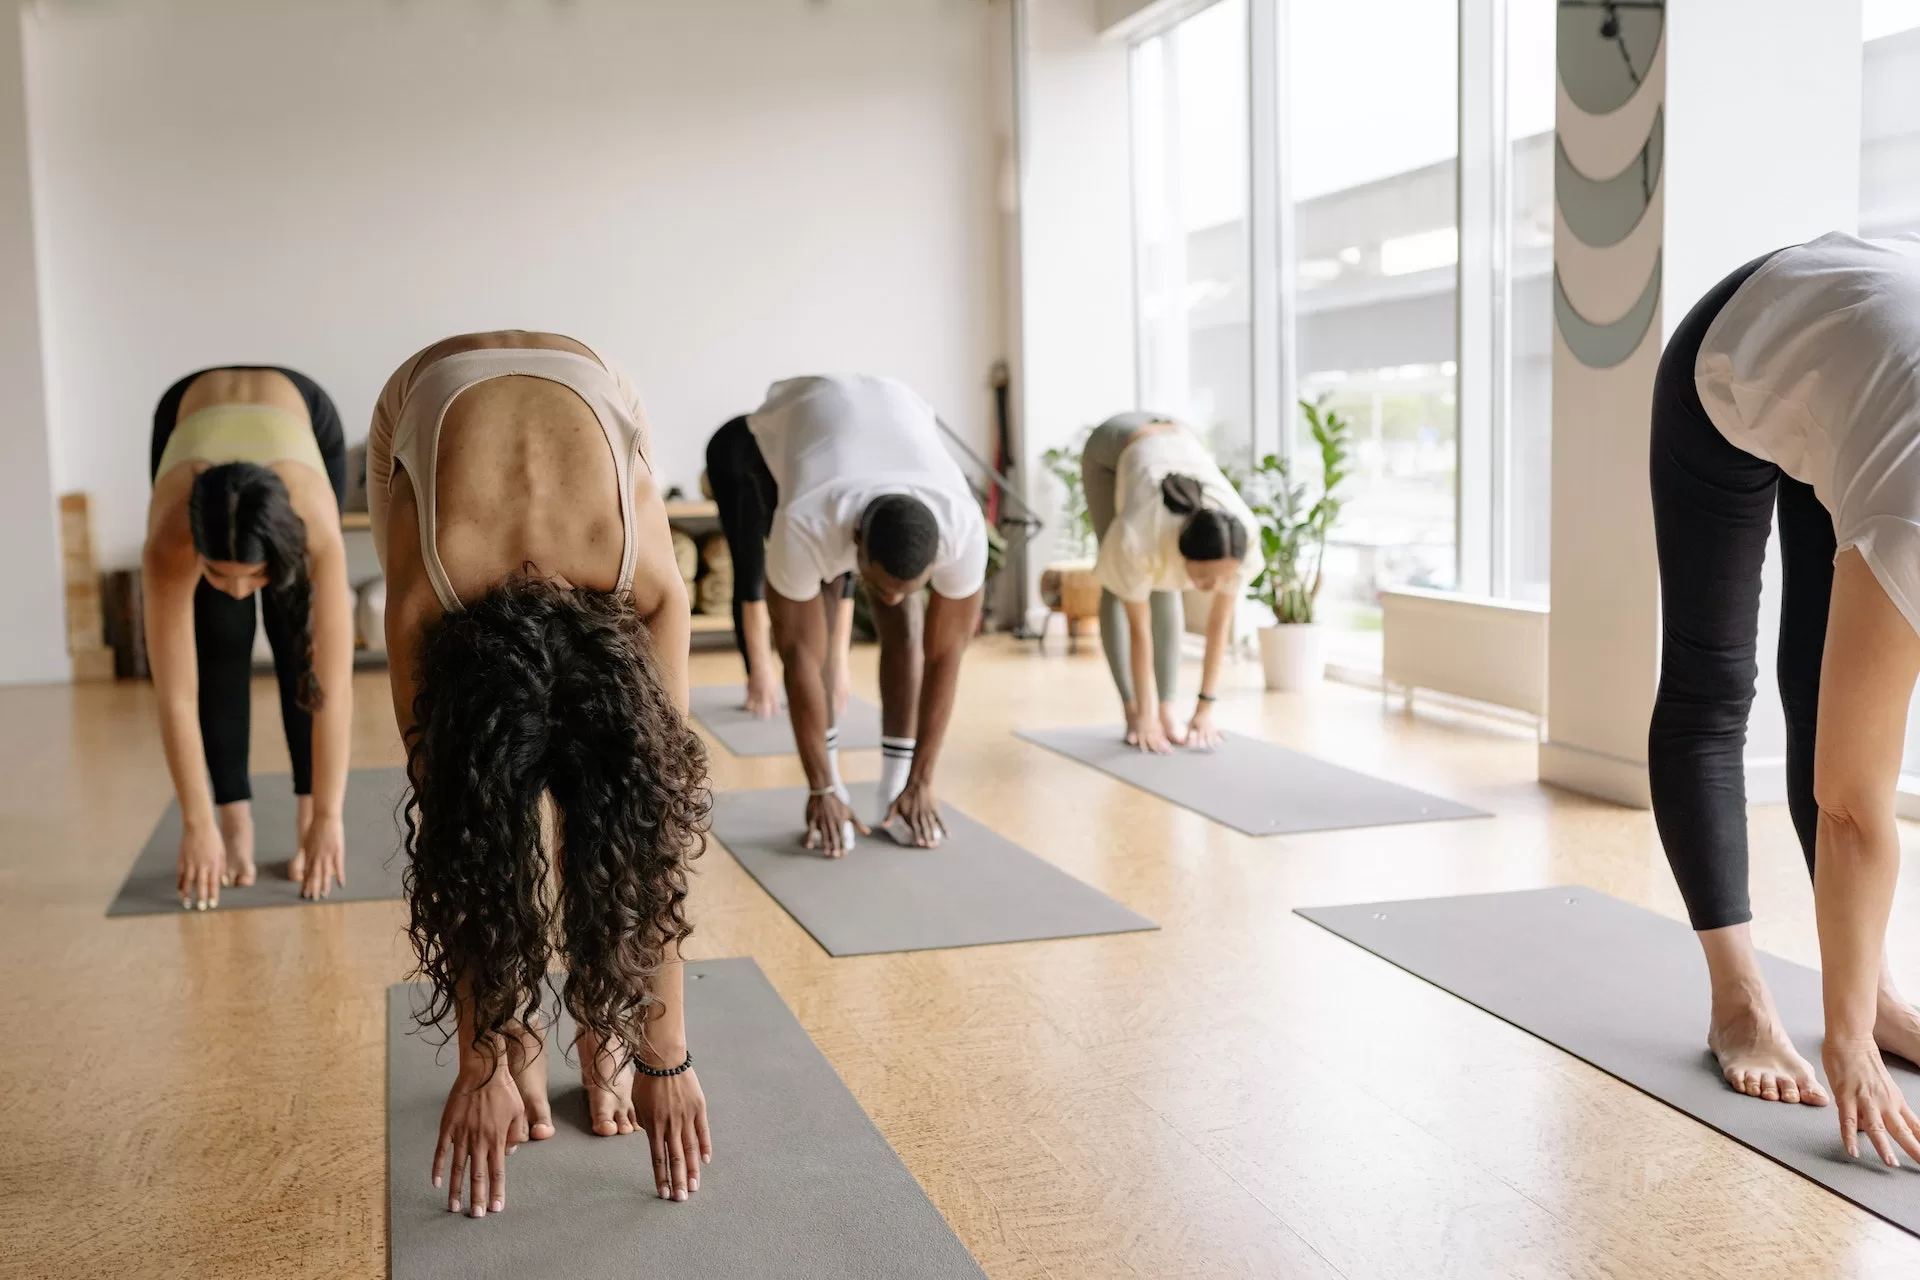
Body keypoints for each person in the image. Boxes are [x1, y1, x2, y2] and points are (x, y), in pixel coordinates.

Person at [368, 331, 712, 1217]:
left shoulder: (647, 584)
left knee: (619, 812)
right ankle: (525, 1043)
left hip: (594, 385)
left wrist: (657, 1049)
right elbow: (462, 848)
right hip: (423, 400)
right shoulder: (423, 600)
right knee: (486, 811)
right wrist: (487, 1048)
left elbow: (653, 840)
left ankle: (599, 1025)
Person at [1649, 232, 1920, 1167]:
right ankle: (1740, 999)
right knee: (1713, 682)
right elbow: (1852, 804)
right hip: (1746, 351)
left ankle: (1876, 998)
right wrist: (1838, 1043)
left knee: (1824, 684)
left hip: (1866, 372)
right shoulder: (1915, 518)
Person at [740, 373, 988, 855]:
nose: (891, 597)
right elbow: (798, 656)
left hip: (900, 403)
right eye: (879, 584)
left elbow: (946, 658)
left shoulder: (963, 528)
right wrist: (821, 787)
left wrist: (922, 779)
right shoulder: (806, 523)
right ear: (856, 544)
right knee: (821, 618)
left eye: (906, 588)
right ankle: (834, 790)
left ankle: (896, 790)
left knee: (906, 625)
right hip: (798, 418)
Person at [143, 366, 354, 910]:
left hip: (301, 409)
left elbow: (334, 683)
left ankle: (307, 814)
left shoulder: (317, 528)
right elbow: (176, 694)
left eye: (254, 577)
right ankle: (235, 826)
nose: (239, 591)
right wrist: (198, 821)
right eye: (218, 574)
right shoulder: (171, 534)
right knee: (219, 638)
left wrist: (330, 816)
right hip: (185, 409)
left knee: (296, 639)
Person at [1083, 413, 1258, 753]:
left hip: (1179, 435)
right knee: (1118, 582)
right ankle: (1134, 709)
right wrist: (1143, 715)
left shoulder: (1242, 537)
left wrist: (1205, 708)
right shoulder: (1139, 535)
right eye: (1205, 577)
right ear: (1185, 554)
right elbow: (1140, 631)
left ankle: (1167, 708)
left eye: (1221, 577)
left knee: (1165, 585)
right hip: (1114, 445)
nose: (1212, 587)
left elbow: (1219, 625)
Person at [704, 414, 856, 721]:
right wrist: (761, 668)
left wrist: (839, 662)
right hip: (728, 453)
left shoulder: (833, 492)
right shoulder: (757, 486)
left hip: (778, 453)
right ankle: (755, 681)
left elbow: (846, 580)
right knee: (747, 562)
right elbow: (750, 582)